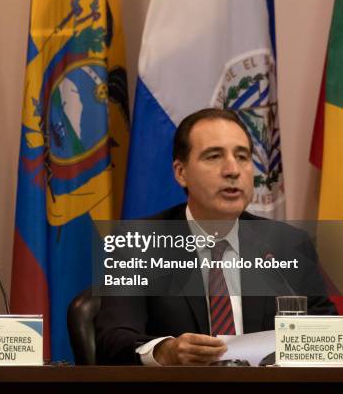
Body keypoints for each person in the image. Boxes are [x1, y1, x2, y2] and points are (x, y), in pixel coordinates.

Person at [95, 108, 336, 366]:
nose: (232, 170)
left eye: (242, 157)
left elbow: (328, 340)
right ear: (180, 172)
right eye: (214, 156)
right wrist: (165, 351)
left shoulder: (287, 245)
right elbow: (113, 340)